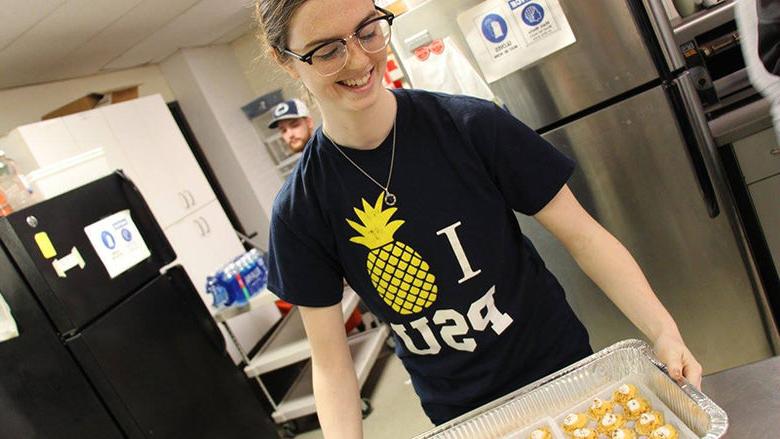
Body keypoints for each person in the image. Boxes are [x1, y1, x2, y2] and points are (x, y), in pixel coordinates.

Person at [254, 0, 702, 436]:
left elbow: (585, 237)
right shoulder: (300, 212)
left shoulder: (472, 126)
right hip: (463, 417)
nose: (359, 59)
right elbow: (332, 366)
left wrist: (664, 331)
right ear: (286, 61)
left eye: (369, 30)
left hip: (565, 372)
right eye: (328, 50)